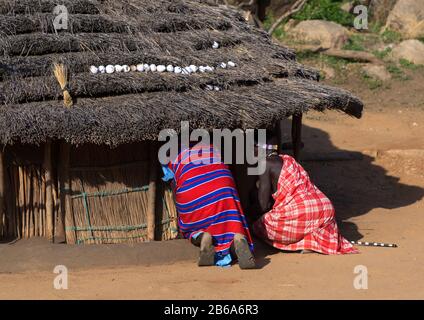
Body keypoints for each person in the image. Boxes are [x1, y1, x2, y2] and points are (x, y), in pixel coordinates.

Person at [251, 142, 358, 255]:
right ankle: (310, 244)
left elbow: (263, 205)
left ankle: (300, 243)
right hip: (324, 209)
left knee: (259, 226)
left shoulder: (264, 163)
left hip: (300, 212)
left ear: (259, 149)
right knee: (309, 226)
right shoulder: (289, 160)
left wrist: (253, 214)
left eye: (252, 149)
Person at [162, 143, 256, 269]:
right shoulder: (211, 148)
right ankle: (237, 238)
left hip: (193, 191)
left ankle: (201, 237)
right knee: (231, 224)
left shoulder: (171, 159)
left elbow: (174, 187)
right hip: (223, 186)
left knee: (188, 229)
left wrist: (181, 214)